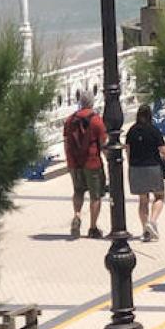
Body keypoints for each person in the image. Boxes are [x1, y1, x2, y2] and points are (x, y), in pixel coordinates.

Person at [125, 101, 165, 242]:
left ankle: (145, 231)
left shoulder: (131, 131)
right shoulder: (153, 130)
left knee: (143, 200)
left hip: (136, 168)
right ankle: (152, 221)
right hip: (152, 167)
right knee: (159, 196)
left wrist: (130, 164)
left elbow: (127, 150)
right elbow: (164, 150)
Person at [61, 92, 106, 239]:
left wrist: (69, 163)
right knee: (95, 196)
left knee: (78, 191)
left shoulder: (69, 120)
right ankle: (93, 227)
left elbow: (66, 142)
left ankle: (77, 215)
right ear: (92, 102)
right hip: (92, 162)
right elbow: (102, 143)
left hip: (74, 162)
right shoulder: (96, 120)